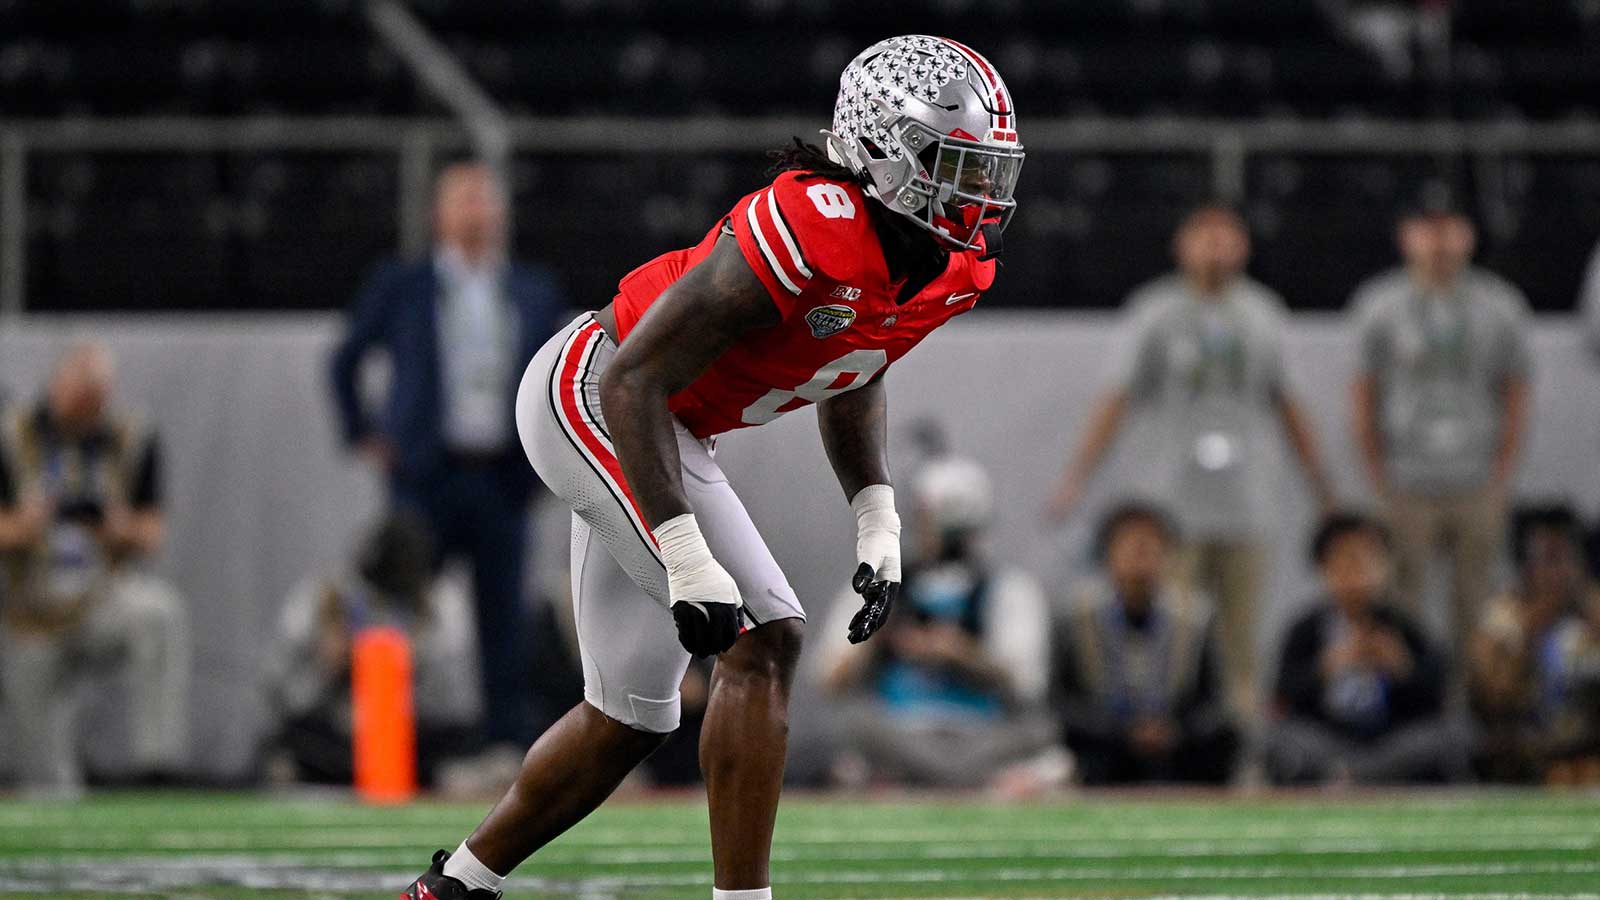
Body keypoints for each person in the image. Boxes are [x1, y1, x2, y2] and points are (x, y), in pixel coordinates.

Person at [402, 35, 1026, 900]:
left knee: (628, 718)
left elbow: (858, 362)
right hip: (593, 391)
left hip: (669, 429)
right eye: (954, 163)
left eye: (988, 168)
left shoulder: (951, 265)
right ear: (885, 150)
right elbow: (634, 379)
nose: (979, 192)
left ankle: (451, 888)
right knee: (764, 640)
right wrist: (687, 554)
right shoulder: (815, 221)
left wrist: (876, 514)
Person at [1045, 204, 1335, 716]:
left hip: (1246, 504)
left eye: (1227, 236)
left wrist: (1322, 486)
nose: (1215, 248)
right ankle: (1173, 744)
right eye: (1204, 236)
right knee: (1176, 640)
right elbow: (1116, 399)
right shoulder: (1155, 312)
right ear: (1182, 245)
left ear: (1244, 246)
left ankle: (1241, 748)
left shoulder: (1263, 313)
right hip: (1173, 509)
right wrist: (1076, 478)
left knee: (1242, 640)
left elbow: (1289, 405)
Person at [329, 162, 566, 747]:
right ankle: (383, 739)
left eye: (485, 200)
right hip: (426, 475)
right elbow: (345, 360)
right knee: (398, 609)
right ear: (438, 213)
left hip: (502, 476)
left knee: (503, 619)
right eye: (464, 200)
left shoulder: (532, 290)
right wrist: (366, 432)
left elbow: (559, 372)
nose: (476, 212)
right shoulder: (403, 284)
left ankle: (506, 748)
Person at [1350, 197, 1531, 669]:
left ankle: (1472, 709)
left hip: (1475, 478)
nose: (1440, 242)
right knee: (1401, 603)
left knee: (1475, 603)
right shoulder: (1380, 305)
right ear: (1406, 237)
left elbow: (1514, 394)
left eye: (1451, 229)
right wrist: (1377, 475)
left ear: (1469, 236)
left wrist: (1502, 474)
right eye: (1428, 230)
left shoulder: (1501, 304)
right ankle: (1413, 705)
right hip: (1407, 479)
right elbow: (1364, 397)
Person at [0, 344, 189, 794]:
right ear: (56, 387)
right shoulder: (11, 436)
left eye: (93, 403)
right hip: (29, 614)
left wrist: (116, 527)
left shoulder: (128, 436)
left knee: (159, 614)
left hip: (98, 600)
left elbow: (151, 533)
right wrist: (23, 527)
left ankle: (155, 766)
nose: (83, 413)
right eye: (76, 400)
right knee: (46, 783)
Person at [813, 457, 1053, 788]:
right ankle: (962, 781)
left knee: (1041, 729)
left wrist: (963, 654)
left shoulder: (1009, 589)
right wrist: (877, 634)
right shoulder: (878, 586)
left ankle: (920, 779)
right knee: (853, 724)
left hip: (980, 732)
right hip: (900, 728)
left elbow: (1029, 686)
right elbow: (830, 680)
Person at [262, 512, 480, 787]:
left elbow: (454, 708)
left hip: (405, 735)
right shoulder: (320, 599)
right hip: (334, 732)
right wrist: (325, 669)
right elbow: (278, 695)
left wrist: (413, 663)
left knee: (452, 745)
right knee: (295, 740)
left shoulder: (441, 609)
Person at [1267, 512, 1470, 785]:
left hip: (1390, 741)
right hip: (1328, 740)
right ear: (1325, 568)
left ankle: (1354, 777)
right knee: (1280, 738)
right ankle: (1361, 776)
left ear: (1384, 567)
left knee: (1453, 734)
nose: (1355, 573)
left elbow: (1436, 696)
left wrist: (1402, 668)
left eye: (1365, 561)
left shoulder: (1403, 625)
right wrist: (1327, 668)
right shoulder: (1305, 629)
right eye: (1344, 561)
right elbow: (1283, 696)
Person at [1053, 502, 1239, 785]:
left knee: (1229, 736)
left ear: (1169, 556)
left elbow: (1213, 702)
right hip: (1105, 742)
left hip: (1175, 741)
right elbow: (1061, 701)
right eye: (1129, 545)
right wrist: (1121, 732)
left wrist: (1174, 731)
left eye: (1151, 546)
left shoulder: (1196, 616)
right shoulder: (1077, 616)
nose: (1140, 556)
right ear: (1107, 554)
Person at [1469, 504, 1600, 782]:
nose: (1558, 573)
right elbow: (1491, 697)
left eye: (1566, 559)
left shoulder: (1593, 607)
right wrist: (1530, 635)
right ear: (1527, 566)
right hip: (1527, 739)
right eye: (1548, 560)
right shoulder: (1503, 614)